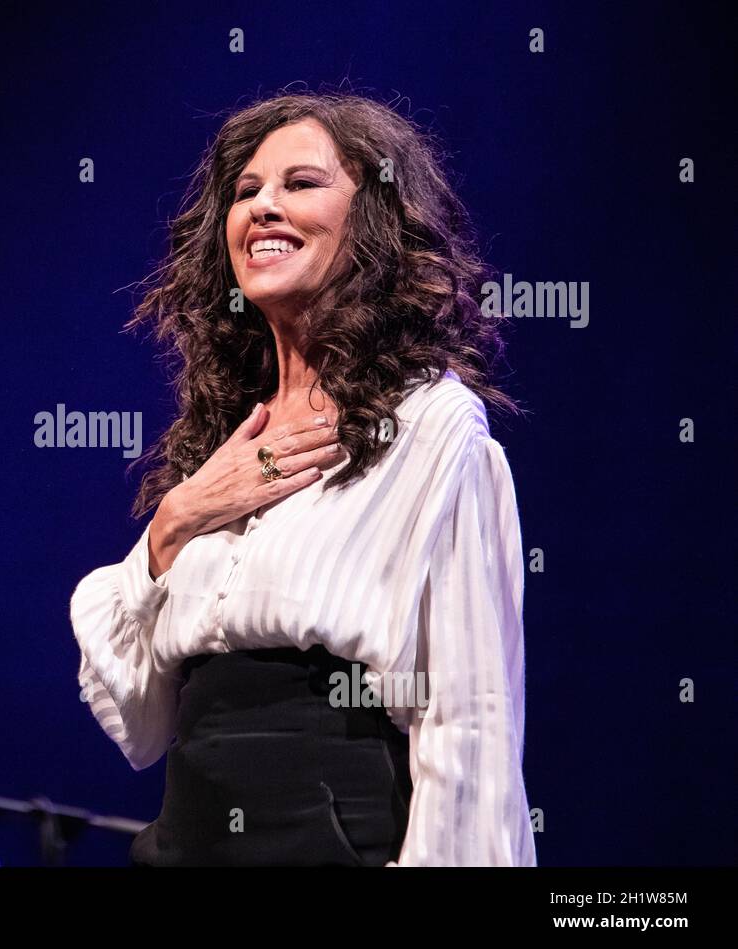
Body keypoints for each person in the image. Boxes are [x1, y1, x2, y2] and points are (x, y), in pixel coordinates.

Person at [70, 91, 536, 866]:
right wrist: (175, 521)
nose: (264, 208)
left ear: (375, 222)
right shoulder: (224, 441)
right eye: (247, 191)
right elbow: (141, 722)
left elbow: (468, 712)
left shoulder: (430, 424)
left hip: (329, 839)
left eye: (301, 184)